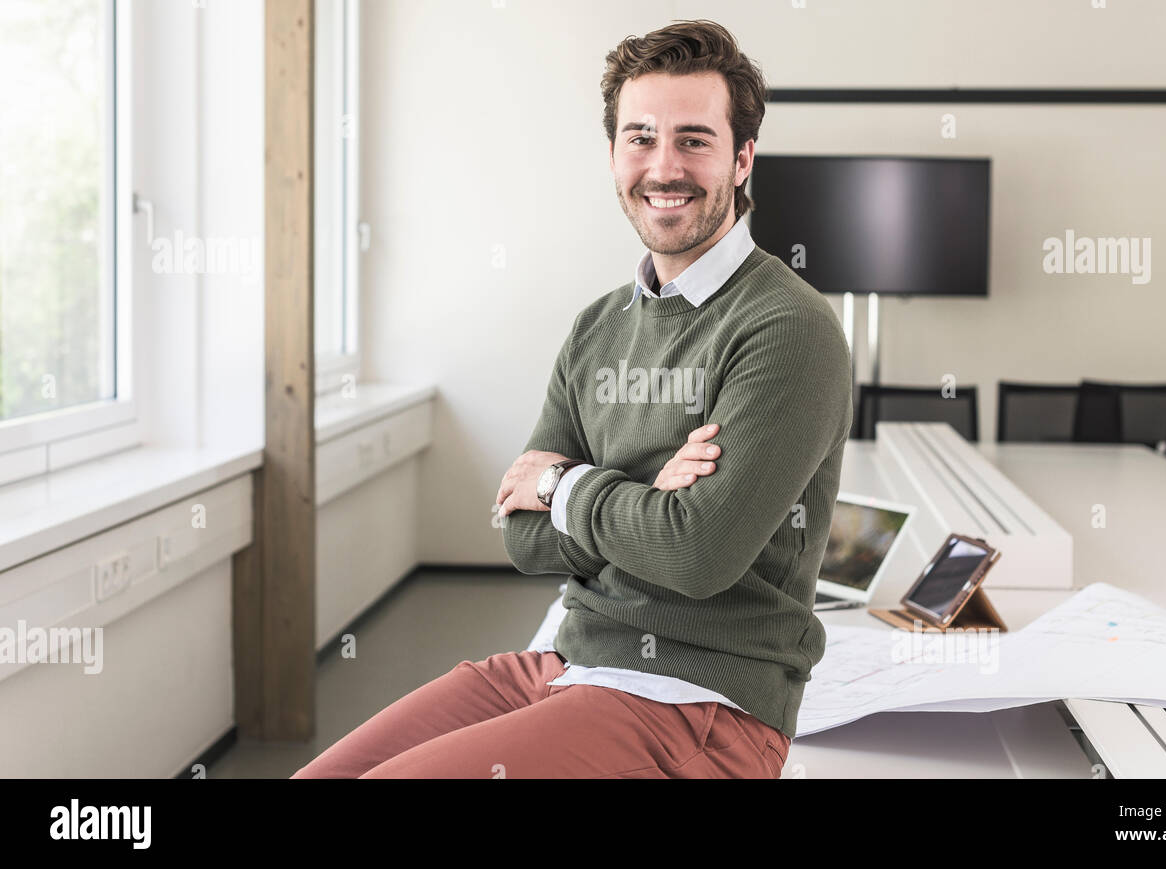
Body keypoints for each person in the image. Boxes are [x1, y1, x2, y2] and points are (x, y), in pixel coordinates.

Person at [292, 18, 851, 779]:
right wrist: (647, 498)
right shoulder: (599, 326)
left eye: (694, 139)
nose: (664, 165)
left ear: (742, 158)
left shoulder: (789, 328)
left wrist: (567, 484)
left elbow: (694, 553)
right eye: (640, 137)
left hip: (702, 702)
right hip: (570, 656)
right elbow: (520, 536)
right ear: (614, 153)